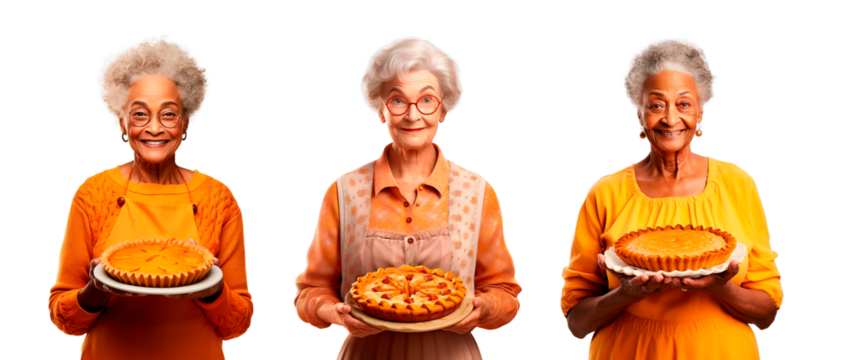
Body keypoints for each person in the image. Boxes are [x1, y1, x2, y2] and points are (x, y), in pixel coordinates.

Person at [292, 36, 524, 359]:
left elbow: (506, 294)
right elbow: (309, 293)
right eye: (398, 100)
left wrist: (483, 308)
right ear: (381, 110)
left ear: (444, 108)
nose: (413, 115)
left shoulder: (478, 192)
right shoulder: (343, 192)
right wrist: (333, 312)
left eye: (427, 100)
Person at [559, 38, 783, 359]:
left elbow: (767, 314)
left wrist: (722, 287)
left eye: (683, 103)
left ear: (700, 113)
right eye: (656, 104)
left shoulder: (738, 183)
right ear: (640, 113)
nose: (670, 118)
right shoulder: (605, 192)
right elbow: (577, 325)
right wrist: (626, 294)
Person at [47, 35, 255, 360]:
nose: (154, 128)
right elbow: (63, 317)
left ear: (185, 124)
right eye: (140, 114)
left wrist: (214, 292)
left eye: (168, 114)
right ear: (122, 122)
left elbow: (237, 324)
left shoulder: (219, 198)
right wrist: (96, 290)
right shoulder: (92, 194)